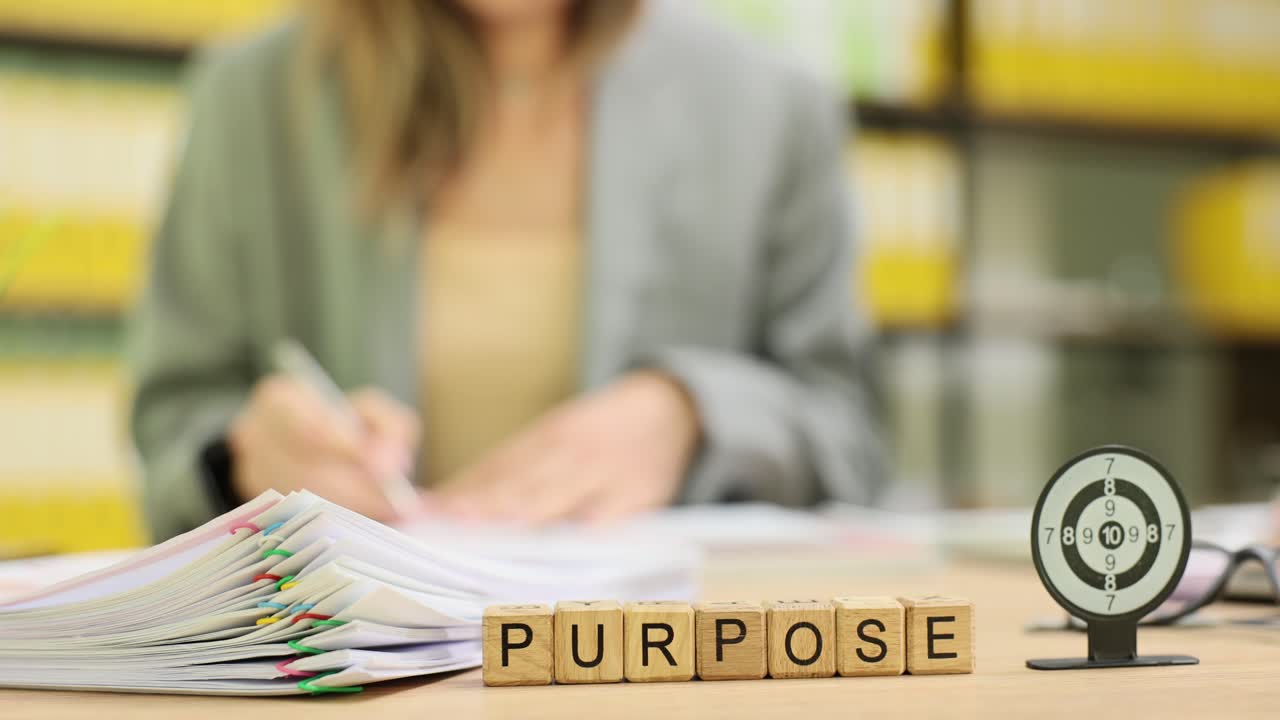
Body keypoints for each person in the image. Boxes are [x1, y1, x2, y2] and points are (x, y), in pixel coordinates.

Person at [130, 0, 886, 541]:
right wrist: (244, 455)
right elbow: (172, 420)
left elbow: (851, 437)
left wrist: (691, 415)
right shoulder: (253, 97)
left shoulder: (771, 104)